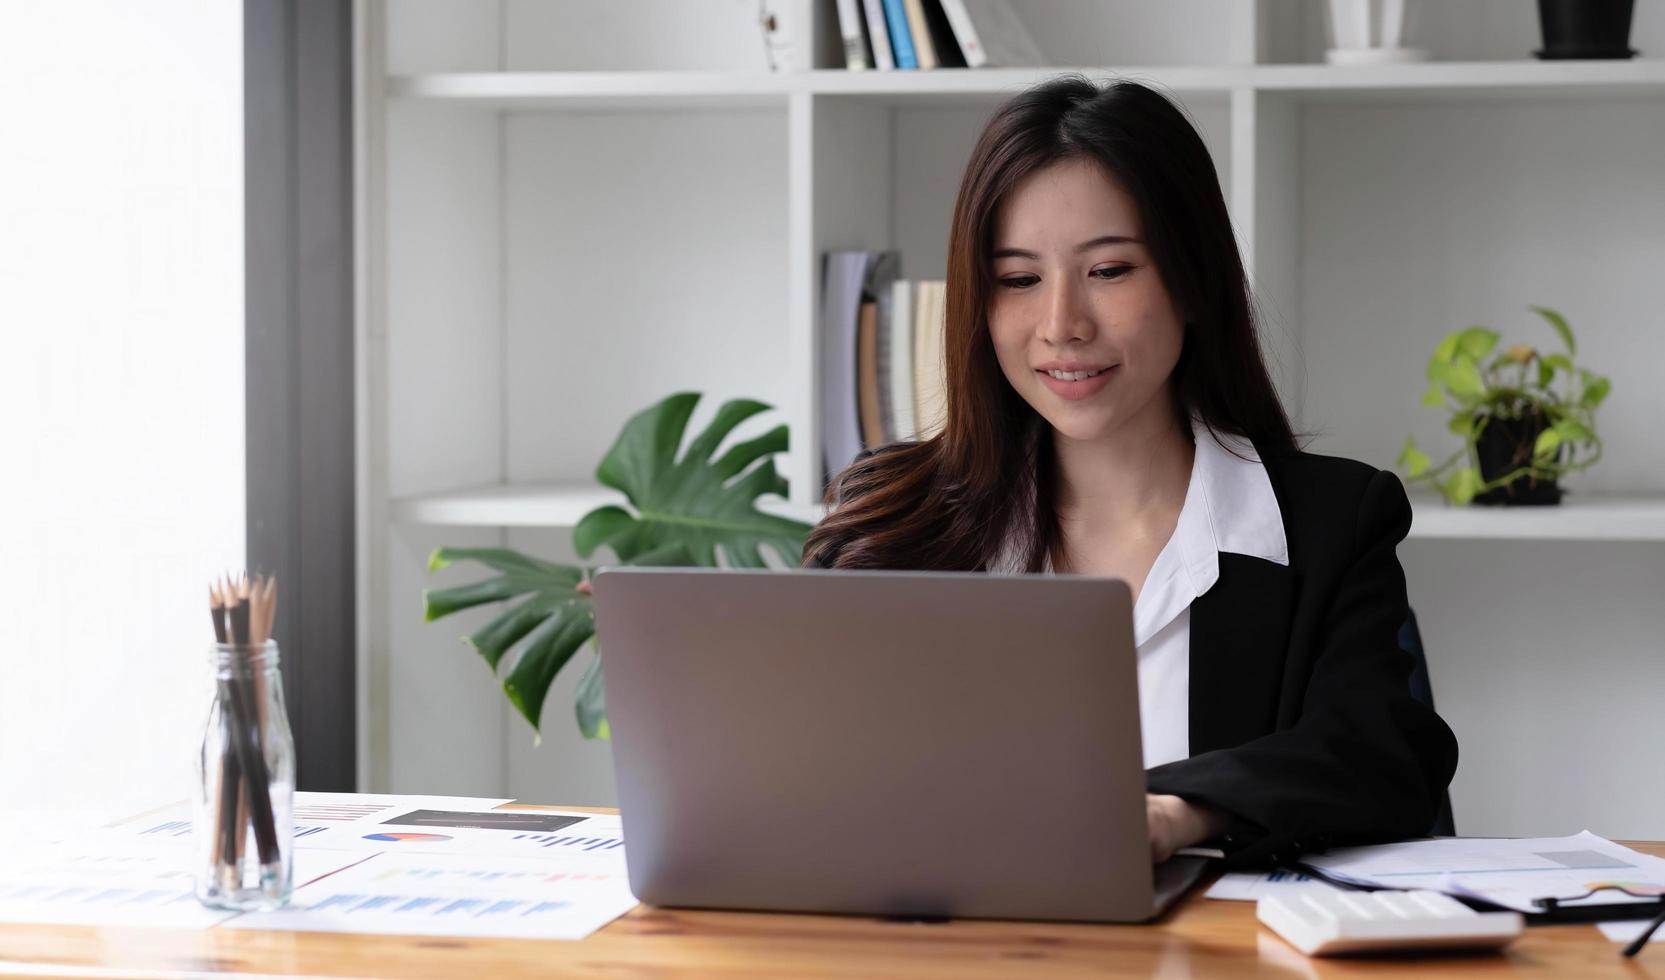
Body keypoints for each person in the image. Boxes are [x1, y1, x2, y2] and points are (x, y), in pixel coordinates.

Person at [802, 75, 1458, 868]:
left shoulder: (1328, 521)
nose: (1060, 326)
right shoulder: (888, 517)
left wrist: (1178, 813)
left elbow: (1384, 757)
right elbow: (818, 775)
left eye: (1108, 271)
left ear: (1190, 280)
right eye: (1017, 279)